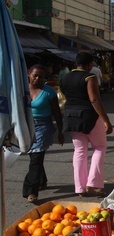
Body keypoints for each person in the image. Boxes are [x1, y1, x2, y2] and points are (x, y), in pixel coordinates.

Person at [61, 52, 113, 197]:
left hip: (71, 116)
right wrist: (105, 120)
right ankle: (94, 184)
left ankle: (80, 188)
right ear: (89, 64)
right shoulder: (90, 77)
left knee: (79, 151)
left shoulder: (65, 77)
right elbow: (95, 100)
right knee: (100, 147)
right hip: (89, 116)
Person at [23, 64, 64, 203]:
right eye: (35, 75)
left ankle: (31, 191)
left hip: (43, 126)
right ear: (29, 74)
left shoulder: (49, 92)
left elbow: (57, 113)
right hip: (26, 125)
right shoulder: (21, 89)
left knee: (36, 157)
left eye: (41, 76)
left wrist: (60, 131)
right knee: (34, 157)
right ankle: (42, 180)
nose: (38, 79)